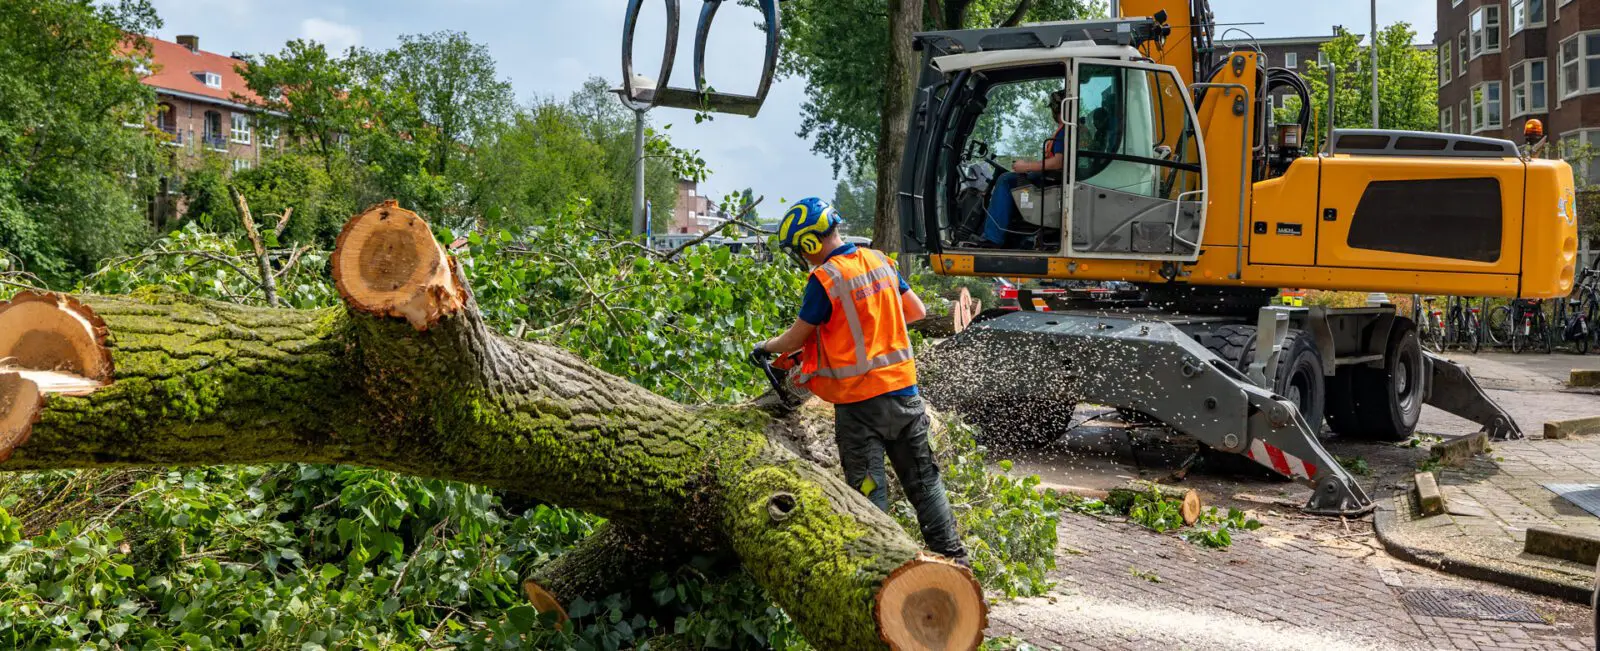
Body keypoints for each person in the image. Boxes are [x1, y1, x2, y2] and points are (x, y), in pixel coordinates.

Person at [752, 198, 968, 564]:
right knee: (925, 483)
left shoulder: (826, 278)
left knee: (868, 492)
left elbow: (796, 338)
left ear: (808, 243)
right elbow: (916, 311)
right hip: (904, 395)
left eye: (799, 250)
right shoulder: (880, 261)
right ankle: (956, 562)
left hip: (859, 407)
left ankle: (881, 568)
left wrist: (765, 346)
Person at [968, 89, 1070, 248]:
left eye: (1053, 108)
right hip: (1052, 181)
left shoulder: (1066, 131)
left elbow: (1058, 163)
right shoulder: (1071, 130)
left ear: (1058, 108)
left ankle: (992, 238)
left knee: (1005, 180)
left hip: (1050, 185)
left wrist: (1025, 166)